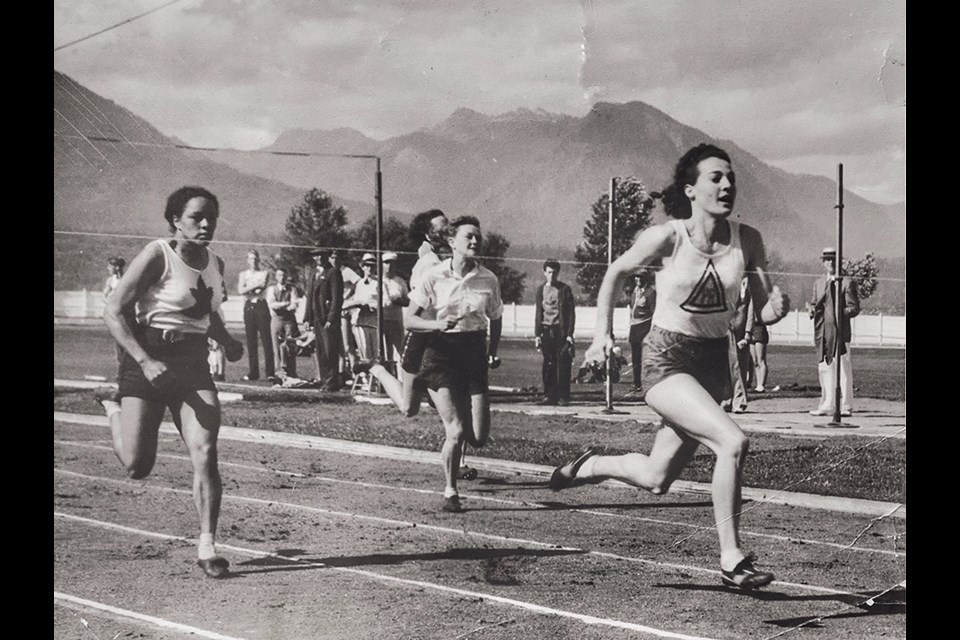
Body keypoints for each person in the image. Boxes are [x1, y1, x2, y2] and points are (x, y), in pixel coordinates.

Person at [548, 144, 789, 590]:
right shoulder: (669, 236)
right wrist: (602, 335)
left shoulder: (748, 240)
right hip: (666, 359)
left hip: (714, 363)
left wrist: (778, 306)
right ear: (690, 189)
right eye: (715, 177)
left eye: (731, 177)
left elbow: (765, 312)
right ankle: (732, 559)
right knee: (732, 442)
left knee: (656, 478)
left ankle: (592, 464)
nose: (727, 185)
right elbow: (614, 274)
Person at [94, 186, 244, 579]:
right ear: (176, 220)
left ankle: (208, 546)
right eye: (196, 217)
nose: (206, 223)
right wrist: (143, 360)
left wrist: (226, 340)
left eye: (212, 216)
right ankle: (112, 407)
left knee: (206, 449)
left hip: (193, 364)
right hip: (148, 359)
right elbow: (114, 312)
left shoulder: (217, 262)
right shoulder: (157, 254)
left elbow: (204, 311)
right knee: (136, 466)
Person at [403, 215, 503, 513]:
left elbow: (495, 318)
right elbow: (409, 319)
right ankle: (450, 492)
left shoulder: (489, 278)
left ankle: (446, 406)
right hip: (441, 353)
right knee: (456, 431)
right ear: (451, 242)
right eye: (468, 237)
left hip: (473, 354)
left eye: (477, 238)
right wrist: (436, 323)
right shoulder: (433, 275)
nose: (474, 242)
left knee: (479, 437)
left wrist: (492, 350)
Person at [807, 247, 860, 416]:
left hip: (840, 333)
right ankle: (827, 404)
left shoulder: (847, 282)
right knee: (825, 368)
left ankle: (845, 405)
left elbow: (854, 308)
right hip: (822, 333)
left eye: (833, 259)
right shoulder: (818, 283)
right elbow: (815, 304)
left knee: (843, 368)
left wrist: (838, 313)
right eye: (827, 260)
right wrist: (812, 310)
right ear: (823, 262)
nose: (830, 263)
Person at [533, 259, 576, 406]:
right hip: (546, 330)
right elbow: (539, 312)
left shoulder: (564, 289)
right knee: (548, 364)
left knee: (563, 364)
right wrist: (537, 334)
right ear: (545, 273)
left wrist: (569, 334)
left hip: (560, 331)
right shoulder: (541, 290)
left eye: (554, 273)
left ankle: (563, 396)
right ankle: (549, 396)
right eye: (549, 272)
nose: (552, 275)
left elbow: (571, 313)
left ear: (558, 273)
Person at [303, 248, 344, 391]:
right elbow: (309, 297)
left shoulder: (333, 272)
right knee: (320, 351)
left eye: (322, 255)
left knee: (330, 350)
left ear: (327, 256)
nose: (319, 258)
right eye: (316, 255)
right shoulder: (313, 273)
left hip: (327, 319)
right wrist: (307, 318)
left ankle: (332, 381)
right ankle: (325, 380)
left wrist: (331, 318)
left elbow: (337, 298)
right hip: (316, 318)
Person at [237, 249, 276, 382]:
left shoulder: (264, 273)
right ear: (247, 260)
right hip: (249, 307)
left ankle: (270, 372)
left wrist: (249, 287)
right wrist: (254, 286)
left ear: (258, 260)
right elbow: (241, 290)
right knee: (251, 341)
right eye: (251, 259)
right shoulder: (243, 274)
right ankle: (253, 372)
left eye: (255, 259)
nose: (253, 261)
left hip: (261, 306)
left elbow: (262, 286)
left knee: (266, 340)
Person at [721, 277, 752, 414]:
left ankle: (739, 402)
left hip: (741, 333)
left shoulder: (749, 285)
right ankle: (726, 400)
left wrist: (748, 332)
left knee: (739, 367)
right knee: (724, 367)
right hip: (724, 330)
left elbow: (751, 311)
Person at [265, 267, 301, 379]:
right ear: (276, 277)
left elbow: (294, 304)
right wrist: (285, 304)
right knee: (277, 347)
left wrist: (286, 305)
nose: (282, 277)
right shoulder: (272, 289)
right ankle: (279, 373)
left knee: (290, 346)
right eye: (279, 275)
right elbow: (272, 304)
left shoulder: (292, 289)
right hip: (276, 320)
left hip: (289, 320)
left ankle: (292, 373)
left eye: (284, 275)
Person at [627, 270, 656, 395]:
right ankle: (636, 383)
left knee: (646, 358)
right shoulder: (635, 292)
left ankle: (648, 384)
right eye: (636, 276)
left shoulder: (650, 293)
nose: (638, 279)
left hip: (645, 327)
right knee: (636, 358)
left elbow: (654, 312)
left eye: (641, 277)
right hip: (634, 328)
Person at [104, 257, 128, 367]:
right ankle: (120, 369)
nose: (107, 268)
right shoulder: (111, 280)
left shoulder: (127, 279)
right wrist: (111, 304)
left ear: (117, 267)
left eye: (110, 266)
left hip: (126, 314)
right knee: (119, 341)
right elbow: (104, 296)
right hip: (116, 315)